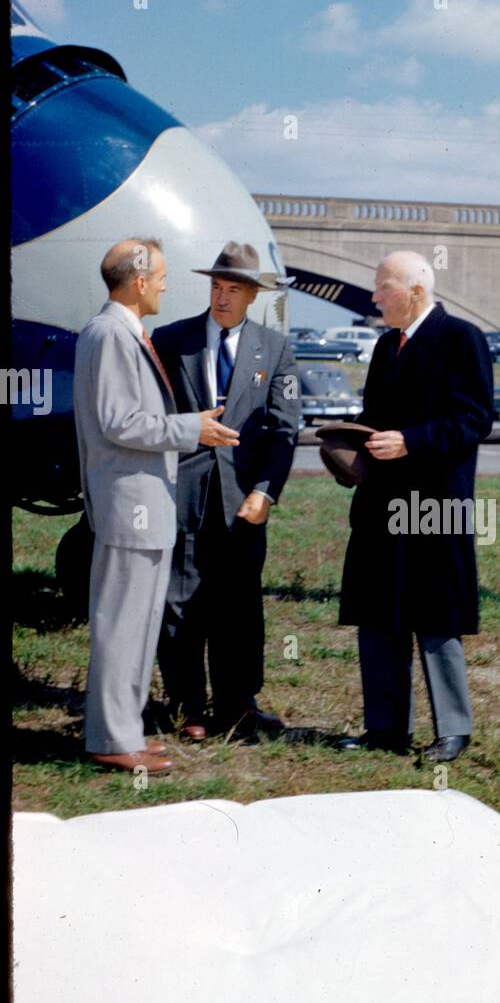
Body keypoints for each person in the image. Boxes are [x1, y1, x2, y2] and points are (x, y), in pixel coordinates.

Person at [73, 238, 239, 774]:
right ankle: (109, 736)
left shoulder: (121, 332)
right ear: (139, 281)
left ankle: (126, 730)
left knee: (138, 625)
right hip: (129, 507)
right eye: (162, 275)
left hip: (142, 508)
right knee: (122, 625)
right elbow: (120, 422)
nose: (168, 284)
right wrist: (194, 428)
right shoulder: (110, 335)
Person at [336, 250, 494, 762]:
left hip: (436, 503)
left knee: (436, 615)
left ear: (417, 292)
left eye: (383, 288)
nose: (375, 296)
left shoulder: (462, 339)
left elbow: (475, 419)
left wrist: (411, 441)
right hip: (381, 503)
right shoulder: (386, 346)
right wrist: (349, 441)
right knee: (379, 614)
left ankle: (453, 728)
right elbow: (375, 414)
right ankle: (384, 729)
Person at [153, 242, 299, 739]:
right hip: (182, 495)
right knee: (180, 600)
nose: (221, 298)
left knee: (239, 605)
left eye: (233, 290)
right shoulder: (172, 340)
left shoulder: (275, 349)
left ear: (253, 296)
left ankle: (237, 706)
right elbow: (152, 416)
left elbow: (285, 430)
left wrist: (266, 491)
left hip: (244, 500)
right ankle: (188, 706)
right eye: (216, 287)